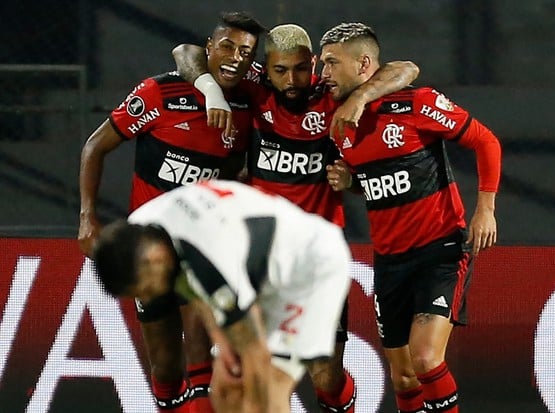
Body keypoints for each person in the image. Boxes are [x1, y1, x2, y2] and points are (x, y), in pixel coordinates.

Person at [171, 23, 419, 412]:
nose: (292, 79)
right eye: (281, 70)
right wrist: (212, 91)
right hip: (260, 251)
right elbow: (185, 52)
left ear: (314, 64)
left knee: (326, 378)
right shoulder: (255, 91)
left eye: (302, 69)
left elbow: (406, 69)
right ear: (265, 69)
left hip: (318, 256)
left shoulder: (331, 94)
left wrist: (361, 99)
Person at [78, 12, 265, 413]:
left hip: (202, 245)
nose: (236, 57)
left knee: (200, 350)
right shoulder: (159, 94)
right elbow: (95, 146)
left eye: (246, 52)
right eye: (227, 46)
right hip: (150, 248)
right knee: (165, 367)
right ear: (210, 47)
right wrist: (87, 215)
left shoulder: (250, 96)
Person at [321, 23, 501, 413]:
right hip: (389, 260)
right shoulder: (338, 122)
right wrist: (352, 181)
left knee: (425, 359)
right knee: (403, 376)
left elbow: (485, 141)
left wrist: (485, 208)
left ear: (364, 64)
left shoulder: (415, 104)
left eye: (333, 63)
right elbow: (378, 182)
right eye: (322, 64)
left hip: (440, 249)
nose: (324, 73)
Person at [92, 179, 353, 413]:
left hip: (310, 269)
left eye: (145, 289)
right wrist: (224, 346)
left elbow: (253, 350)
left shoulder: (207, 256)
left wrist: (241, 360)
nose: (149, 297)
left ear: (153, 259)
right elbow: (195, 289)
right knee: (227, 391)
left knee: (268, 387)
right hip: (259, 268)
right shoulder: (144, 227)